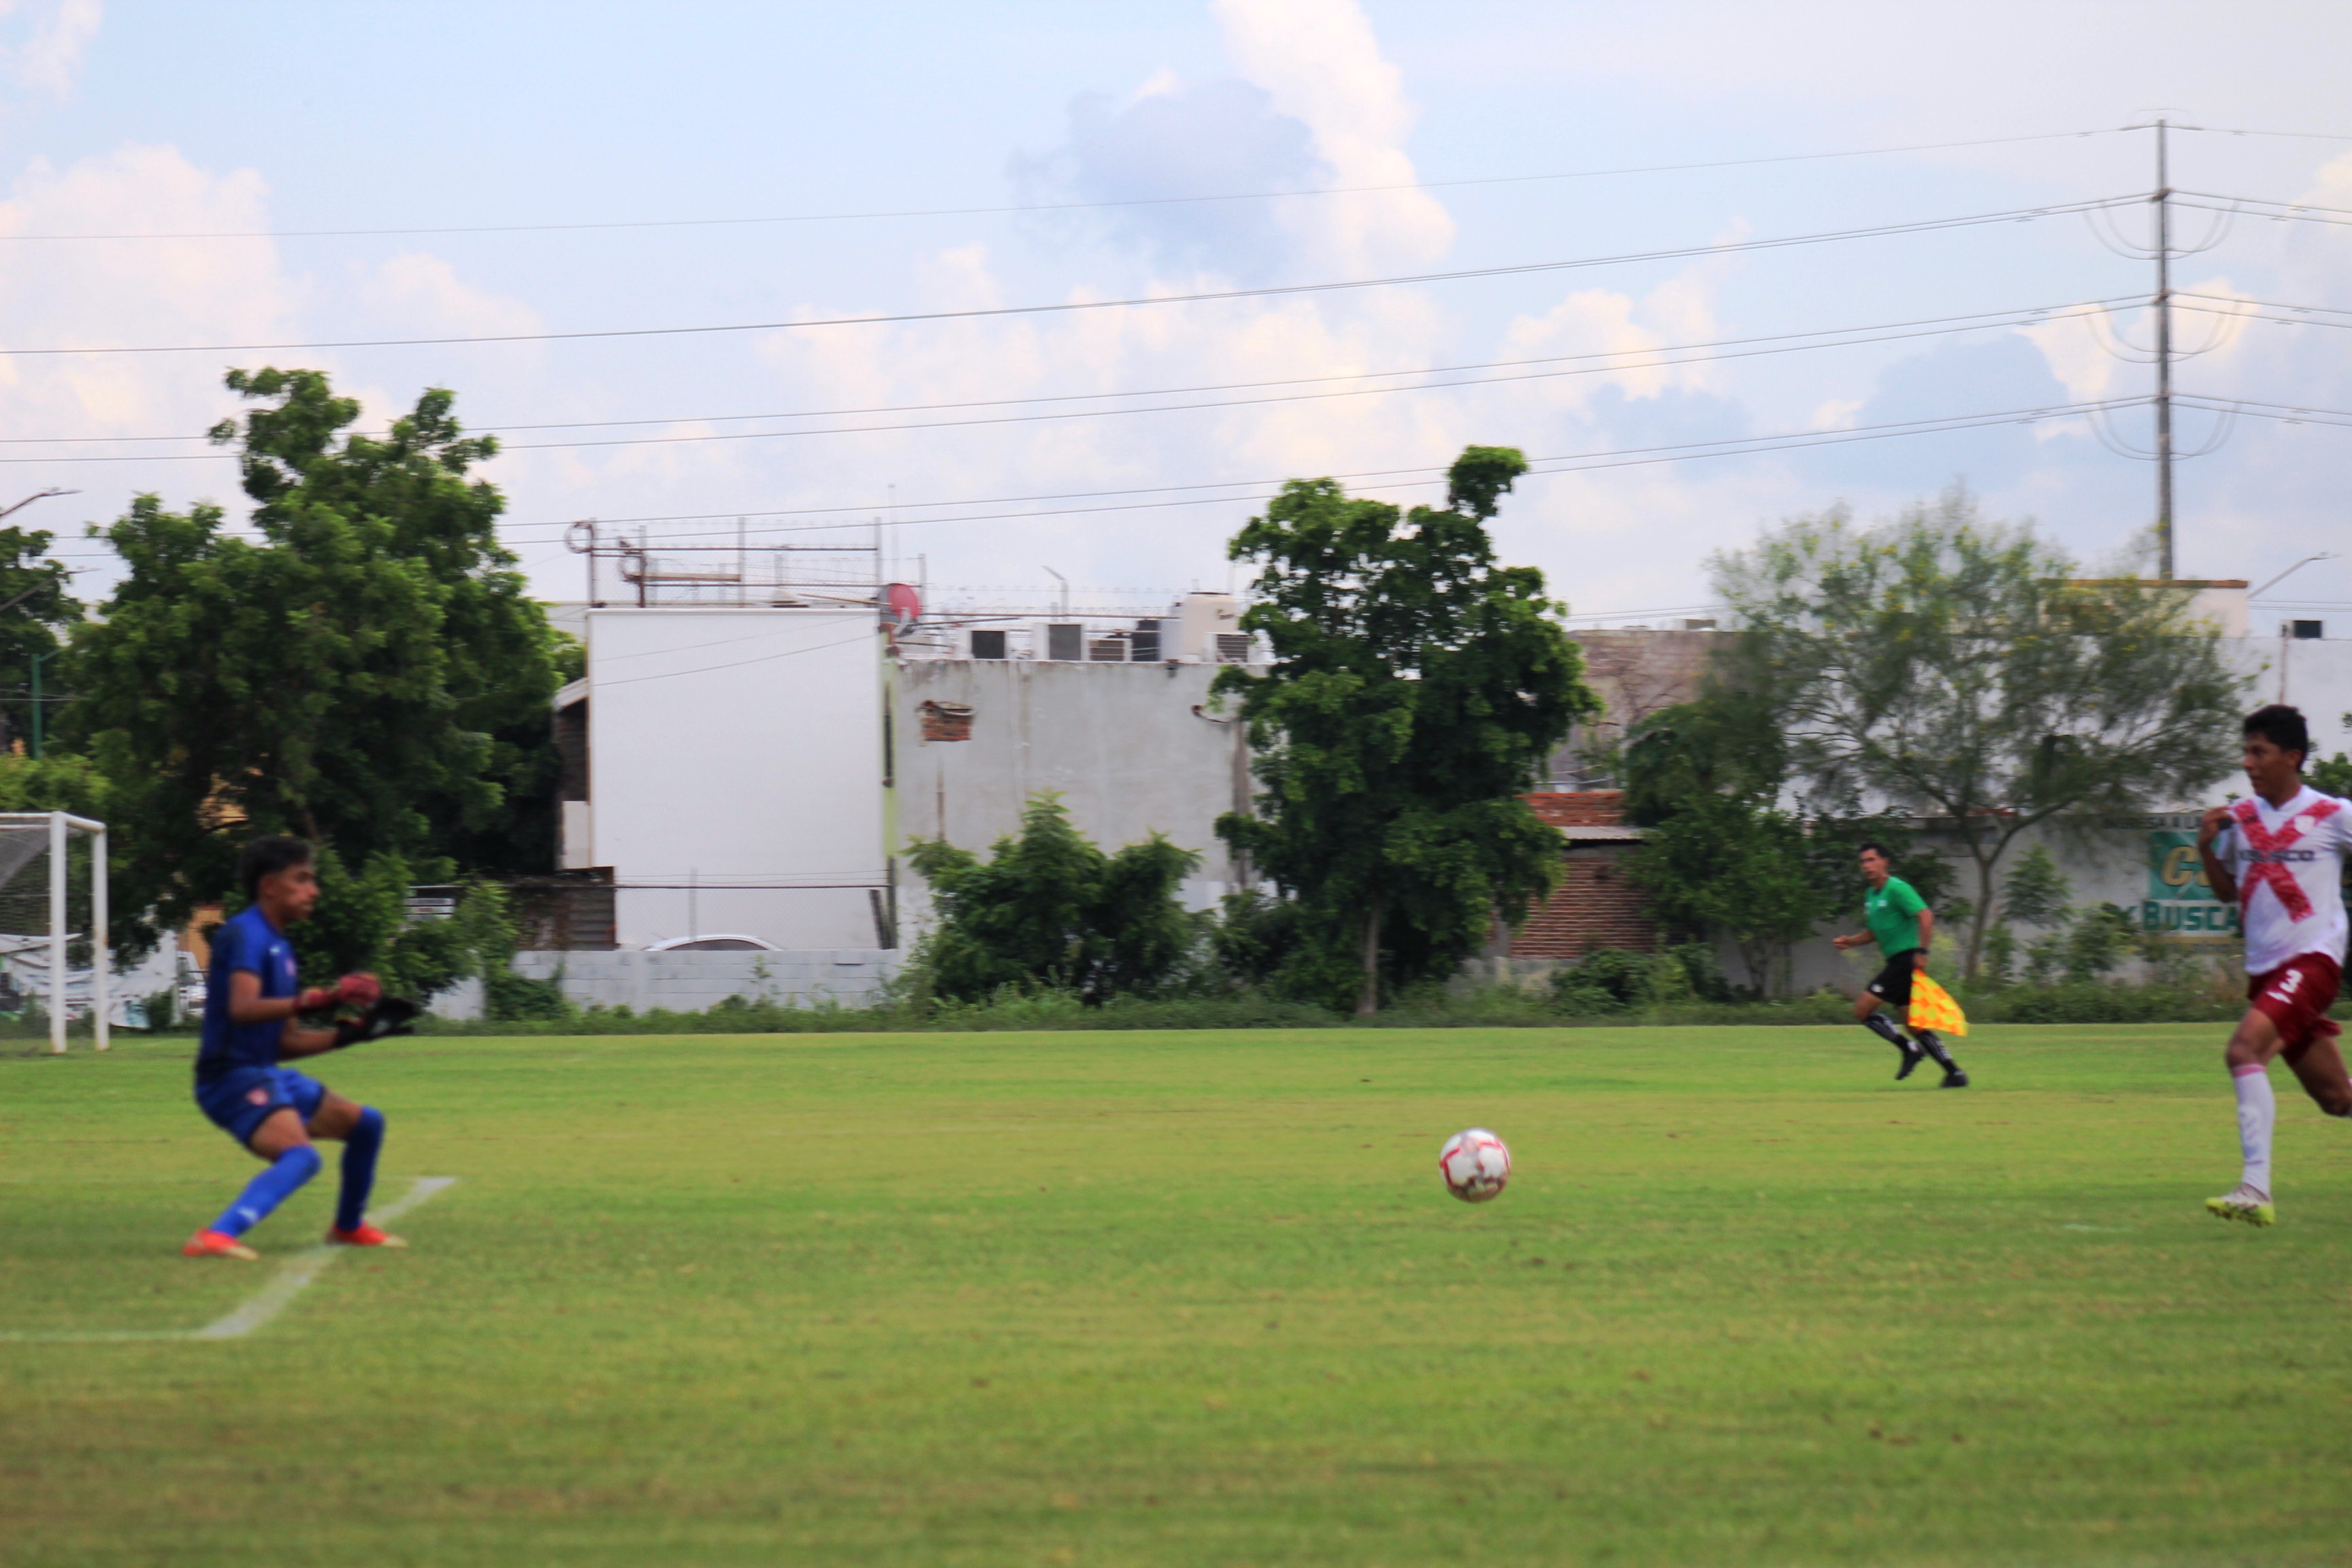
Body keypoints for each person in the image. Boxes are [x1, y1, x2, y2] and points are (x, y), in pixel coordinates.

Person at [182, 836, 400, 1260]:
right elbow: (243, 1009)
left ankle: (348, 1226)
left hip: (264, 1070)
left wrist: (351, 1035)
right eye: (301, 879)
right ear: (269, 886)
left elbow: (284, 1042)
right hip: (229, 1077)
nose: (313, 890)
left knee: (367, 1124)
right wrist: (318, 999)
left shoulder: (281, 947)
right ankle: (217, 1235)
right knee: (301, 1158)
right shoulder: (245, 934)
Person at [2196, 704, 2352, 1227]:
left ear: (2293, 757)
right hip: (2267, 973)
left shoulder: (2332, 814)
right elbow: (2226, 894)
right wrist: (2206, 848)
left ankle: (2254, 1188)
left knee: (2243, 1050)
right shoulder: (2240, 820)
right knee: (2337, 1099)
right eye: (2245, 751)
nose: (2248, 763)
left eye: (2259, 752)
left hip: (2313, 962)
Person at [1831, 842, 1969, 1088]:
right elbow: (1875, 932)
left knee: (1862, 1010)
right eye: (1863, 862)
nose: (1867, 866)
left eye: (1872, 860)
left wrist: (1923, 952)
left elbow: (1926, 916)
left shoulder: (1897, 889)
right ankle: (1954, 1073)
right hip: (1896, 961)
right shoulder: (1871, 895)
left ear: (1885, 862)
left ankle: (1909, 1050)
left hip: (1905, 961)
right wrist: (1850, 942)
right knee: (1914, 1025)